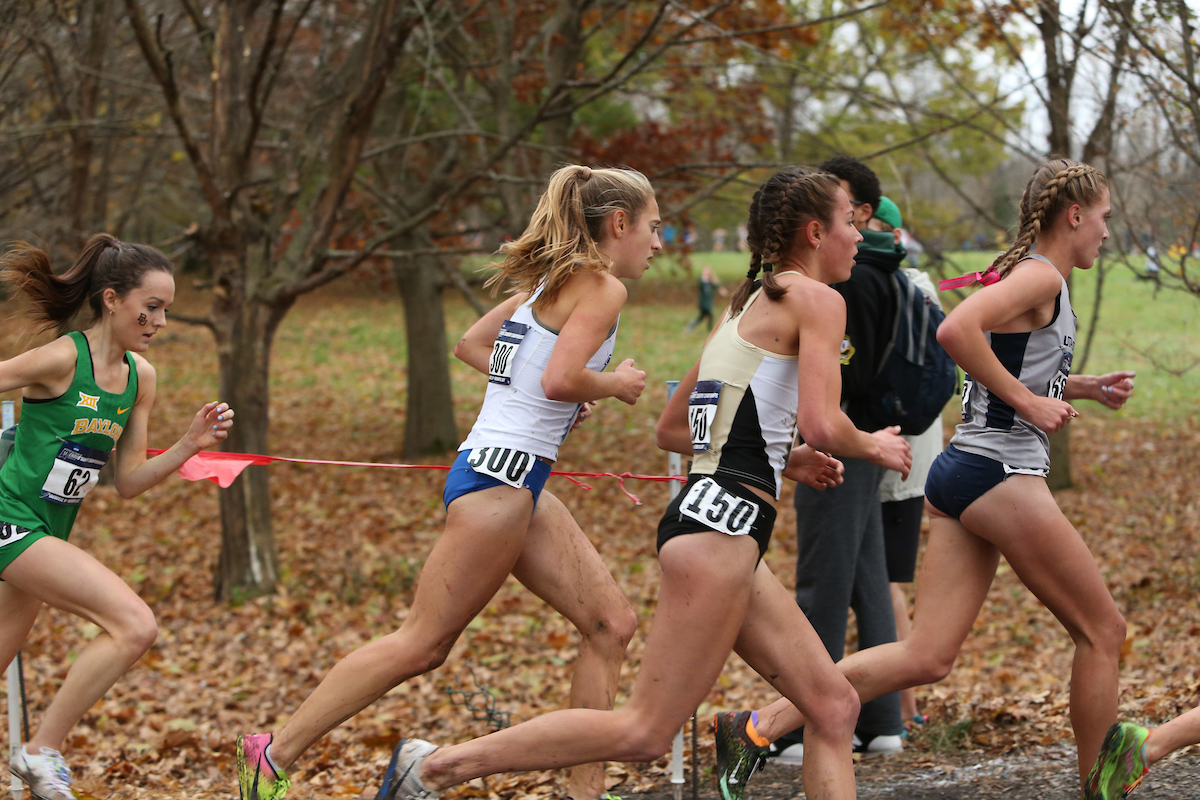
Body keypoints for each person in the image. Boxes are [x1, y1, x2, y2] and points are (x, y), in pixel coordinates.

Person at [369, 167, 911, 800]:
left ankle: (744, 736)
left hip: (714, 522)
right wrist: (873, 442)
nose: (859, 236)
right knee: (645, 731)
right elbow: (824, 421)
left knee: (832, 705)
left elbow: (676, 428)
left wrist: (778, 458)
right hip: (723, 531)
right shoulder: (819, 301)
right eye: (851, 223)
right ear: (816, 232)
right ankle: (434, 767)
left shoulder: (747, 307)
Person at [235, 165, 658, 800]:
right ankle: (274, 753)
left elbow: (471, 344)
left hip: (513, 478)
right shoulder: (600, 287)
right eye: (654, 227)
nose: (658, 243)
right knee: (423, 643)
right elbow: (559, 380)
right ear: (619, 224)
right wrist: (612, 384)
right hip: (499, 479)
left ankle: (584, 793)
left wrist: (555, 392)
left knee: (610, 625)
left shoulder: (551, 283)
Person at [718, 158, 1139, 794]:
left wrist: (1079, 387)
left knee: (927, 657)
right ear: (1075, 215)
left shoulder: (1035, 277)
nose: (1107, 232)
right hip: (1000, 470)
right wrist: (1029, 405)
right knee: (1102, 630)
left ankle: (759, 727)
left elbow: (1000, 361)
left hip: (964, 471)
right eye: (1104, 217)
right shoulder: (1041, 275)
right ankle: (1102, 787)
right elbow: (955, 329)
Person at [0, 234, 234, 800]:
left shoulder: (138, 379)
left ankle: (37, 755)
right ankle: (39, 753)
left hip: (48, 530)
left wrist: (188, 445)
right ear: (111, 300)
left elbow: (128, 481)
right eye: (149, 307)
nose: (157, 321)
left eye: (166, 311)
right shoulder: (61, 359)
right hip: (11, 521)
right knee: (134, 624)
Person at [770, 162, 911, 767]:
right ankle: (881, 721)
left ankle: (804, 726)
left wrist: (861, 441)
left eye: (846, 206)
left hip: (843, 441)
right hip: (867, 436)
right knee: (866, 578)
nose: (846, 225)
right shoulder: (889, 273)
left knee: (821, 585)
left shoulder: (841, 285)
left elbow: (824, 401)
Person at [868, 198, 944, 730]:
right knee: (882, 580)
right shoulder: (914, 284)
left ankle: (900, 710)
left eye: (868, 226)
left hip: (899, 463)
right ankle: (895, 710)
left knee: (884, 581)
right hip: (910, 457)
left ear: (893, 233)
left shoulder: (903, 284)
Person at [685, 264, 726, 332]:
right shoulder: (701, 280)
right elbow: (700, 284)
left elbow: (717, 286)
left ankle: (691, 326)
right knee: (710, 316)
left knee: (702, 317)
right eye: (705, 271)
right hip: (703, 302)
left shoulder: (710, 281)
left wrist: (722, 291)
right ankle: (710, 330)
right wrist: (705, 279)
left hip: (709, 301)